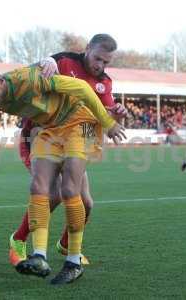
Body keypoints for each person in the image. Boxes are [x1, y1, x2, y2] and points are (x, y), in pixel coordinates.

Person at [0, 64, 125, 284]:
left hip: (81, 121)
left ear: (1, 81)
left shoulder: (31, 79)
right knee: (38, 186)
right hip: (51, 128)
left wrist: (108, 123)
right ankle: (39, 256)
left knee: (70, 190)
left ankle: (73, 262)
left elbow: (81, 87)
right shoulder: (0, 100)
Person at [9, 34, 127, 267]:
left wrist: (117, 112)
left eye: (106, 62)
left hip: (75, 140)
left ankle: (65, 245)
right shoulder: (62, 62)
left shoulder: (104, 82)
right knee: (52, 194)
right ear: (87, 49)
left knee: (87, 203)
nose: (100, 66)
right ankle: (19, 240)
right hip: (42, 135)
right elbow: (31, 78)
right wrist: (45, 61)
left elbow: (103, 111)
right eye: (97, 59)